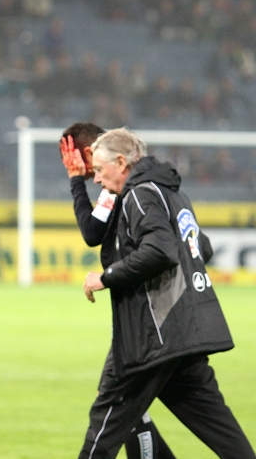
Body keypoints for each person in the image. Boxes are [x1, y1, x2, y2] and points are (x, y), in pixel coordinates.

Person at [80, 127, 256, 458]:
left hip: (154, 335)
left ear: (121, 162)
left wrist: (106, 276)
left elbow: (160, 251)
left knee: (105, 425)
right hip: (186, 331)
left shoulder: (139, 194)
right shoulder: (173, 194)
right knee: (221, 430)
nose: (97, 179)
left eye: (100, 170)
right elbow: (201, 248)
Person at [60, 122, 175, 459]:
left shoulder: (122, 183)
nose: (82, 171)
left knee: (118, 402)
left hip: (145, 309)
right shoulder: (122, 182)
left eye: (71, 160)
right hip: (148, 307)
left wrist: (73, 183)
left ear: (84, 153)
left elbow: (92, 232)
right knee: (125, 402)